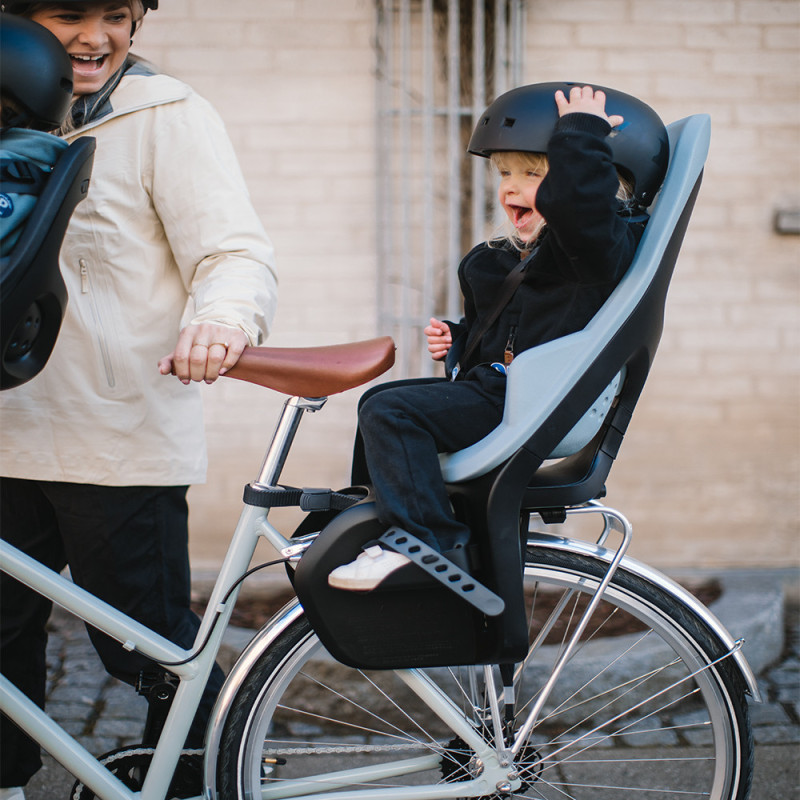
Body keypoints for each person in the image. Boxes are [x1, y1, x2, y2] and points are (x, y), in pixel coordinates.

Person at [0, 2, 278, 796]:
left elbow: (231, 251)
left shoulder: (167, 114)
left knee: (147, 647)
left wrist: (222, 320)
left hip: (115, 438)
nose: (96, 37)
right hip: (6, 432)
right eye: (69, 14)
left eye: (116, 15)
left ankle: (202, 777)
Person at [329, 83, 668, 591]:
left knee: (393, 413)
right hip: (502, 390)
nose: (511, 187)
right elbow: (512, 335)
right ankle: (371, 526)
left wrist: (581, 134)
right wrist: (460, 340)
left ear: (604, 180)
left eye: (533, 174)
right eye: (505, 173)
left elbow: (582, 215)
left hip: (534, 400)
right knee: (380, 401)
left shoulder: (592, 253)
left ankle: (426, 546)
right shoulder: (510, 260)